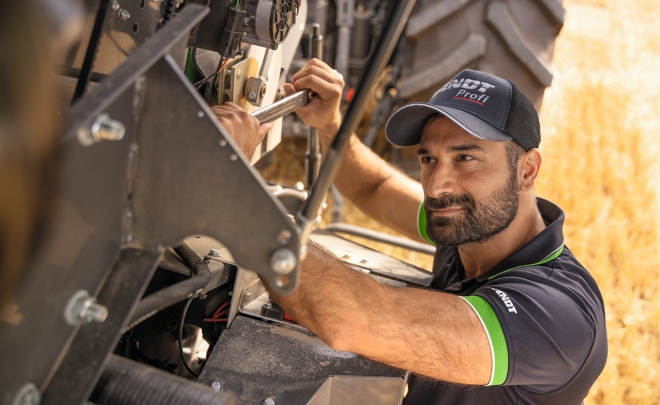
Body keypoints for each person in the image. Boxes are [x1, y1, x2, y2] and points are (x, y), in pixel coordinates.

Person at [232, 59, 608, 404]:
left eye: (466, 158)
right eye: (429, 159)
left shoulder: (556, 315)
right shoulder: (467, 228)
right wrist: (330, 124)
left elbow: (353, 320)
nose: (436, 186)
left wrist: (230, 183)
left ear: (527, 170)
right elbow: (375, 188)